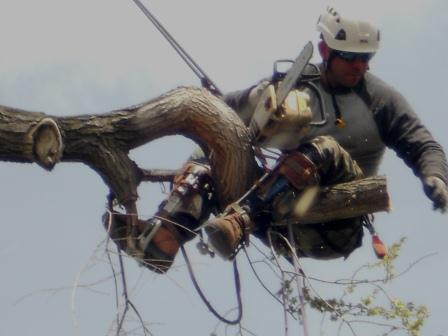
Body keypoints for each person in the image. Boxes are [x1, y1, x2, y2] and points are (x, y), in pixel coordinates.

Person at [105, 7, 448, 273]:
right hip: (282, 218)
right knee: (214, 153)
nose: (358, 66)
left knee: (324, 149)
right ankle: (160, 241)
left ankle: (239, 221)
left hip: (336, 226)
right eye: (349, 57)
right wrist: (217, 111)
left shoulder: (381, 99)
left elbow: (422, 143)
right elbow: (229, 109)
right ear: (325, 49)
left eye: (365, 58)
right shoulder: (295, 83)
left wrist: (435, 176)